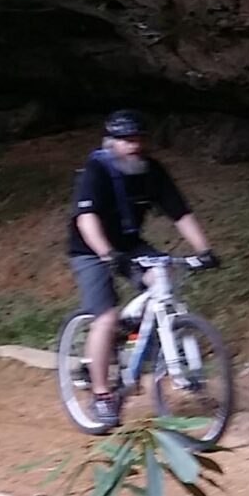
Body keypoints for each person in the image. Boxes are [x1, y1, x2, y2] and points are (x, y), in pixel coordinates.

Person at [67, 109, 217, 426]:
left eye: (138, 139)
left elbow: (180, 213)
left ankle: (131, 335)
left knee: (162, 285)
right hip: (90, 247)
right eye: (126, 140)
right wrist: (107, 253)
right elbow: (86, 218)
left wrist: (204, 249)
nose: (133, 146)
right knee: (105, 316)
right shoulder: (97, 170)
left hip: (131, 244)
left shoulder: (152, 171)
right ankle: (102, 396)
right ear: (111, 142)